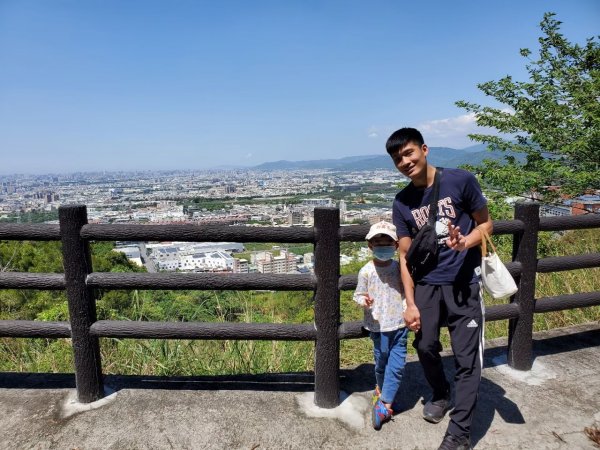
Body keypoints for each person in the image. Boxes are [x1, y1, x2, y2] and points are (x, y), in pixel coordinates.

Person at [386, 128, 493, 450]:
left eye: (408, 153)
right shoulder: (402, 202)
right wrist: (410, 303)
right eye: (397, 158)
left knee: (466, 359)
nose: (405, 162)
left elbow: (486, 223)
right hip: (427, 286)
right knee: (426, 347)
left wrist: (466, 243)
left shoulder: (459, 181)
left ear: (424, 149)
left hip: (463, 282)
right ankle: (441, 393)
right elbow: (404, 255)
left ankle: (459, 434)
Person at [353, 220, 408, 431]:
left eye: (387, 242)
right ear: (370, 246)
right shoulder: (366, 271)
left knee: (397, 365)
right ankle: (381, 388)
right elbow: (358, 294)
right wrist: (363, 300)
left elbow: (407, 290)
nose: (382, 246)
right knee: (381, 361)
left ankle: (386, 404)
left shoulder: (399, 267)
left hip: (399, 323)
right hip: (376, 325)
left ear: (395, 245)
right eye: (378, 242)